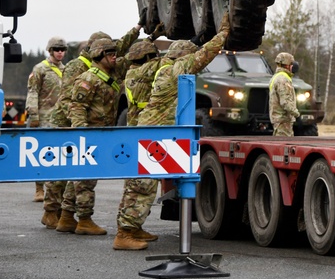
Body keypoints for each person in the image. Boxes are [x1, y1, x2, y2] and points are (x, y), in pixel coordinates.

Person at [113, 14, 230, 251]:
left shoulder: (157, 69)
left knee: (139, 182)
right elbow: (203, 56)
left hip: (149, 131)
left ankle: (132, 227)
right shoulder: (173, 71)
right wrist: (223, 34)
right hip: (152, 134)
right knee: (142, 185)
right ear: (180, 58)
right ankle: (124, 233)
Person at [48, 24, 140, 232]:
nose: (115, 56)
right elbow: (76, 106)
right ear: (99, 54)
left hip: (99, 133)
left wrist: (139, 30)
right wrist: (82, 133)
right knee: (85, 178)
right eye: (110, 53)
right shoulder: (87, 78)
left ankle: (66, 217)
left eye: (115, 53)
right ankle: (84, 220)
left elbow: (127, 50)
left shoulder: (109, 73)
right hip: (88, 134)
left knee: (80, 177)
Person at [27, 36, 66, 203]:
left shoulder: (66, 70)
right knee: (42, 153)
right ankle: (39, 188)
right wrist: (33, 115)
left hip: (60, 117)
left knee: (58, 153)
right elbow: (32, 91)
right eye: (57, 50)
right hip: (43, 117)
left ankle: (55, 189)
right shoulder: (40, 69)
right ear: (50, 51)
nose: (60, 53)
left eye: (62, 50)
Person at [269, 52, 300, 137]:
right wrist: (296, 114)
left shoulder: (276, 77)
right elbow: (285, 102)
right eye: (291, 63)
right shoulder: (283, 80)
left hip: (279, 119)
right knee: (284, 146)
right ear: (287, 65)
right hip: (283, 120)